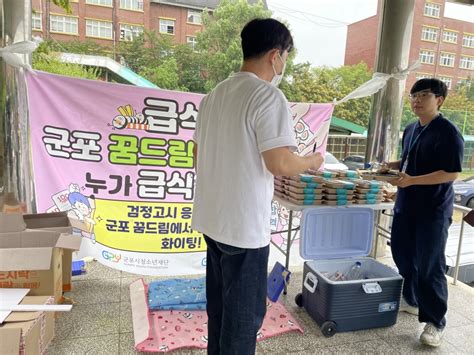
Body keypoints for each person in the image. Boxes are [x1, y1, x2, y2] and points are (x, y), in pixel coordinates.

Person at [191, 18, 324, 355]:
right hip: (243, 228)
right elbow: (279, 163)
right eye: (285, 57)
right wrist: (310, 161)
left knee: (220, 307)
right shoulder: (267, 96)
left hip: (212, 220)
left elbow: (197, 156)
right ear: (275, 55)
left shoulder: (214, 95)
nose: (283, 65)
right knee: (243, 317)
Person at [381, 78, 464, 347]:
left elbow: (451, 172)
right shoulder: (411, 128)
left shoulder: (448, 132)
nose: (416, 100)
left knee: (430, 266)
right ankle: (415, 301)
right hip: (406, 205)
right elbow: (408, 160)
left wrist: (413, 180)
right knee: (402, 255)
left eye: (424, 95)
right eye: (413, 95)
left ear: (439, 99)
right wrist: (389, 166)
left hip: (433, 210)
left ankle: (436, 321)